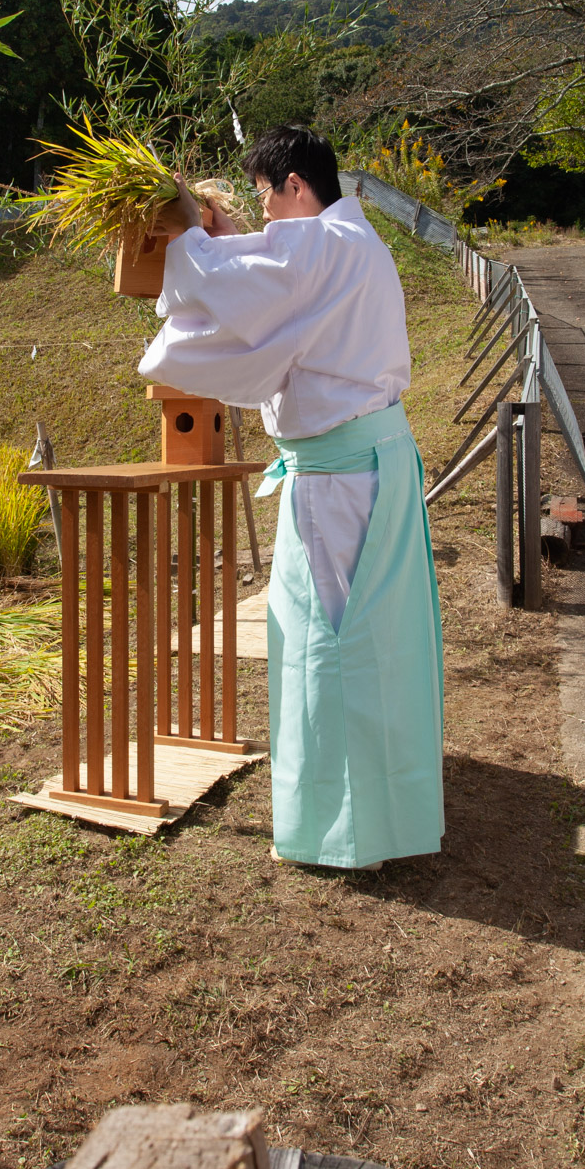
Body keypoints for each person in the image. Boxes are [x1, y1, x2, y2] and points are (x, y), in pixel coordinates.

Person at [139, 125, 444, 871]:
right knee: (369, 641)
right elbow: (273, 277)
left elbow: (240, 283)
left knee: (333, 647)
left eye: (267, 200)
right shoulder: (349, 245)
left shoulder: (330, 245)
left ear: (296, 187)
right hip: (364, 466)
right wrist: (227, 240)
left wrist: (188, 228)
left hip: (343, 481)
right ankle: (373, 816)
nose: (266, 216)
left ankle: (347, 833)